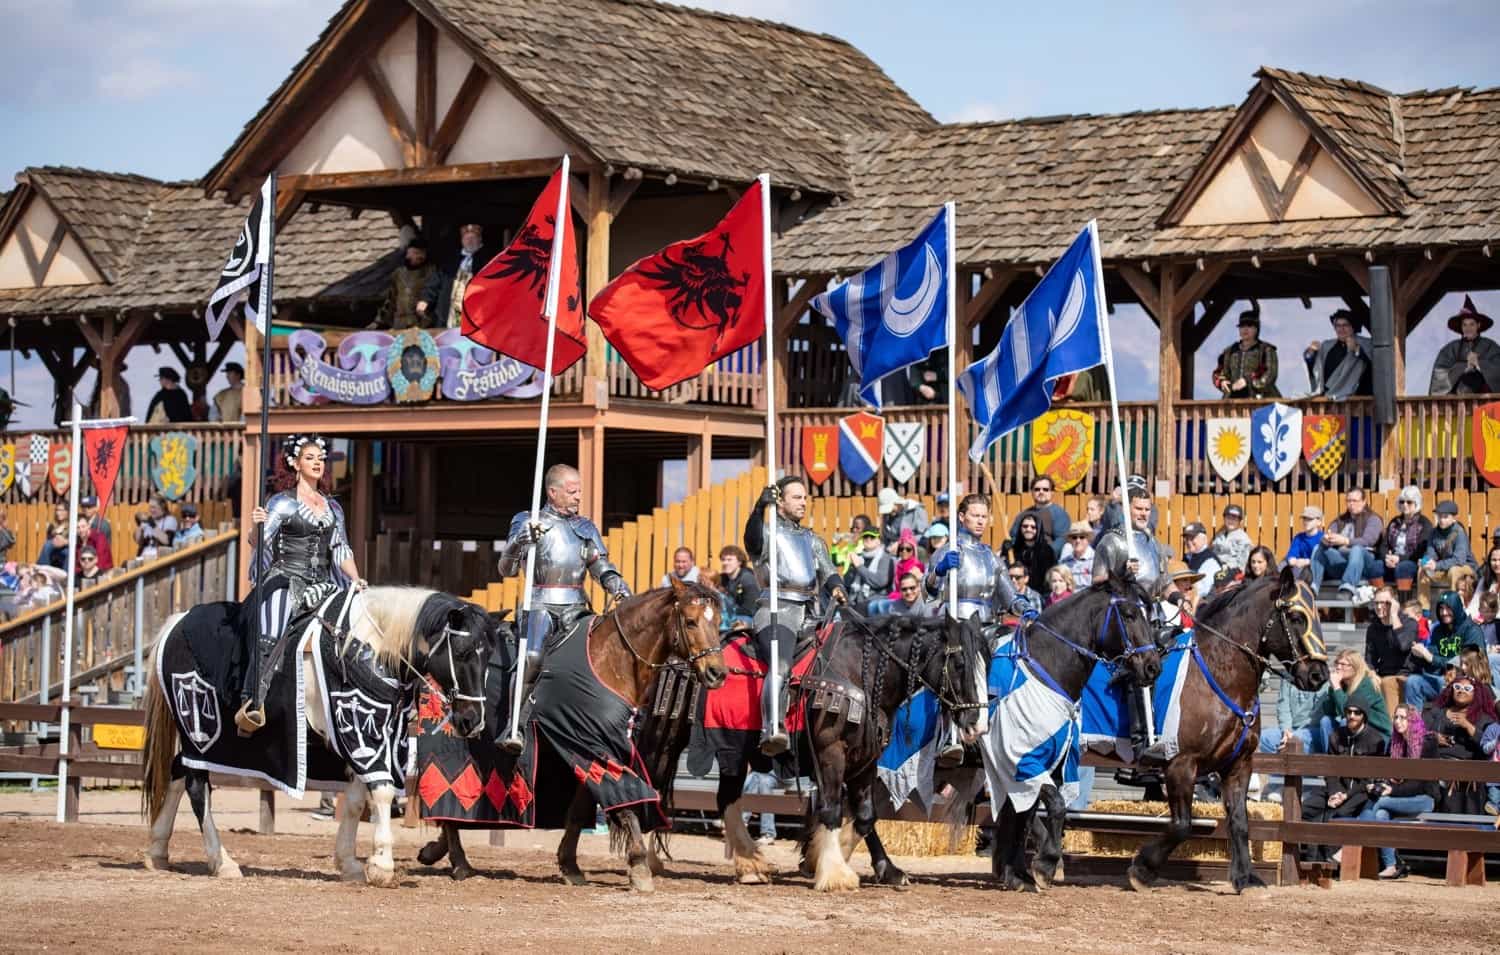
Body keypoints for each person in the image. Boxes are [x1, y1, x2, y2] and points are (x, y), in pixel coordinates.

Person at [238, 434, 366, 735]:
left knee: (351, 625)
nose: (318, 462)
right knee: (273, 627)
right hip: (286, 578)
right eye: (310, 458)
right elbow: (257, 542)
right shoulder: (282, 503)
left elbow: (341, 549)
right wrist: (256, 524)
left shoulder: (333, 508)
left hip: (323, 582)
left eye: (320, 458)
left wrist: (356, 578)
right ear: (296, 465)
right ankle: (253, 701)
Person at [744, 476, 845, 755]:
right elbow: (751, 543)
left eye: (804, 497)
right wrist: (758, 510)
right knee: (781, 665)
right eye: (797, 497)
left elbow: (828, 571)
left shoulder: (812, 539)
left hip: (811, 612)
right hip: (777, 611)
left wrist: (837, 587)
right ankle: (772, 728)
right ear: (780, 501)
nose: (803, 502)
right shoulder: (767, 531)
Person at [499, 464, 630, 663]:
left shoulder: (585, 527)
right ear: (553, 492)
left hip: (577, 607)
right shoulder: (527, 520)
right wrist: (519, 542)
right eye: (572, 492)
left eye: (579, 491)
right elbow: (506, 570)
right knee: (532, 658)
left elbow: (599, 564)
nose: (578, 496)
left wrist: (616, 584)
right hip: (539, 605)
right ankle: (523, 695)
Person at [1355, 703, 1440, 879]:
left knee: (1380, 802)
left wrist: (1392, 790)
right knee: (1380, 815)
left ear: (1413, 720)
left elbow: (1421, 784)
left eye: (1403, 717)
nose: (1398, 721)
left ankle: (1351, 844)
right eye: (1396, 717)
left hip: (1424, 798)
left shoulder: (1427, 743)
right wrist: (1379, 784)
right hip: (1399, 797)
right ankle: (1392, 865)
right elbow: (1387, 774)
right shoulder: (1394, 743)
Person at [1298, 701, 1384, 862]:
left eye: (1357, 712)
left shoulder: (1375, 740)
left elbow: (1368, 780)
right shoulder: (1336, 736)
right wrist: (1334, 793)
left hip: (1360, 791)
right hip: (1336, 789)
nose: (1352, 716)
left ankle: (1324, 859)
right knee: (1304, 808)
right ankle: (1308, 857)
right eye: (1349, 712)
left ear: (1364, 715)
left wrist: (1345, 795)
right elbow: (1330, 772)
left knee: (1336, 814)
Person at [925, 493, 1024, 623]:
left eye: (984, 516)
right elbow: (927, 594)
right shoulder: (947, 552)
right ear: (962, 516)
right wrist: (939, 571)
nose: (980, 521)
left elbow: (1010, 597)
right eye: (975, 516)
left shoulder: (992, 558)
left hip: (989, 625)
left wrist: (1026, 608)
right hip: (955, 625)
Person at [1254, 672, 1331, 801]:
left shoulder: (1323, 678)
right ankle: (1280, 782)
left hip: (1313, 729)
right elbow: (1283, 705)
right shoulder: (1289, 676)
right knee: (1264, 737)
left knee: (1298, 740)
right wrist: (1286, 730)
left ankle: (1306, 786)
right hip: (1290, 729)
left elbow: (1319, 712)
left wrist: (1292, 736)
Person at [1407, 591, 1484, 711]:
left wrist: (1431, 657)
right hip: (1441, 679)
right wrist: (1420, 655)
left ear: (1457, 607)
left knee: (1447, 682)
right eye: (1441, 609)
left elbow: (1470, 664)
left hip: (1465, 682)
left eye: (1448, 608)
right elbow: (1432, 659)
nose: (1444, 613)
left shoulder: (1472, 630)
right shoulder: (1438, 630)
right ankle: (1414, 726)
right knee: (1413, 682)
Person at [1312, 488, 1384, 599]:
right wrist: (1327, 539)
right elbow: (1330, 533)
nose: (1351, 504)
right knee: (1319, 548)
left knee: (1357, 549)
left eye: (1355, 501)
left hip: (1365, 562)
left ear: (1364, 501)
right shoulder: (1340, 520)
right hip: (1342, 561)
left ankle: (1347, 587)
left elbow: (1368, 541)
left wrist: (1346, 541)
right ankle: (1313, 588)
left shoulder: (1373, 519)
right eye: (1348, 501)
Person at [419, 223, 493, 329]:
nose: (469, 241)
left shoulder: (488, 261)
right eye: (466, 238)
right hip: (451, 312)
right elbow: (435, 281)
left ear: (480, 239)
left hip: (477, 312)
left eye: (473, 238)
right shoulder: (451, 261)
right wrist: (425, 299)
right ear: (462, 240)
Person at [1428, 295, 1500, 395]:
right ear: (1461, 327)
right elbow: (1440, 373)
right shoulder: (1450, 348)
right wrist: (1464, 366)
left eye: (1471, 324)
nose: (1468, 328)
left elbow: (1498, 367)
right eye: (1464, 324)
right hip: (1455, 402)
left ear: (1478, 325)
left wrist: (1479, 364)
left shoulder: (1490, 346)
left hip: (1484, 402)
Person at [1365, 587, 1418, 716]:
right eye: (1376, 603)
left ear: (1394, 604)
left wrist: (1394, 615)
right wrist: (1372, 674)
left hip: (1406, 674)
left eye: (1384, 603)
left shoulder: (1409, 623)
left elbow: (1403, 646)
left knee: (1388, 683)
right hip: (1384, 675)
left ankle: (1393, 730)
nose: (1378, 607)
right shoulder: (1373, 628)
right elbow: (1369, 659)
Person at [1322, 648, 1391, 743]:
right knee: (1326, 721)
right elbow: (1329, 711)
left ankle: (1345, 756)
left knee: (1346, 721)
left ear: (1355, 667)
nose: (1338, 667)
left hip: (1377, 734)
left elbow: (1348, 713)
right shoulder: (1341, 684)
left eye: (1343, 664)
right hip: (1355, 729)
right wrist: (1333, 688)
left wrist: (1337, 687)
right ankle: (1330, 756)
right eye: (1337, 663)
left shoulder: (1366, 684)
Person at [1418, 501, 1477, 609]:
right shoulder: (1433, 532)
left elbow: (1459, 560)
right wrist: (1426, 561)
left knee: (1454, 570)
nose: (1441, 520)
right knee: (1422, 571)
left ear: (1454, 518)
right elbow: (1431, 552)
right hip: (1445, 568)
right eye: (1439, 516)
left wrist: (1436, 565)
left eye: (1445, 517)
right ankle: (1424, 611)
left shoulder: (1459, 533)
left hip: (1465, 568)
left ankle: (1454, 607)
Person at [1305, 308, 1374, 399]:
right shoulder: (1327, 346)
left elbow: (1375, 365)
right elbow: (1312, 363)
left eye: (1345, 325)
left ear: (1353, 326)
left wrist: (1357, 350)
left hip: (1356, 400)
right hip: (1328, 398)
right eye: (1337, 325)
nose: (1341, 329)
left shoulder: (1366, 343)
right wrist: (1311, 352)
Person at [1211, 307, 1279, 398]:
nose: (1245, 329)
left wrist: (1248, 381)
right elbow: (1219, 373)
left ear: (1256, 328)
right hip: (1232, 403)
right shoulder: (1229, 351)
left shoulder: (1266, 350)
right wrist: (1221, 382)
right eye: (1242, 326)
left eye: (1249, 325)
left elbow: (1270, 374)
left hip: (1261, 402)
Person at [1377, 486, 1431, 596]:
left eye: (1409, 502)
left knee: (1403, 567)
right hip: (1392, 561)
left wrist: (1399, 559)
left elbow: (1421, 551)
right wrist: (1386, 557)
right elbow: (1384, 545)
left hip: (1412, 562)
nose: (1404, 505)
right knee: (1375, 566)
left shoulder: (1424, 524)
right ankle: (1378, 604)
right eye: (1402, 502)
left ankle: (1404, 605)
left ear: (1417, 504)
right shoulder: (1394, 522)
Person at [372, 237, 436, 330]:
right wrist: (378, 322)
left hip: (422, 324)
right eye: (415, 253)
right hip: (400, 324)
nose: (419, 257)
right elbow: (391, 301)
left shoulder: (431, 272)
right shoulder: (398, 274)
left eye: (421, 254)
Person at [1010, 475, 1070, 557]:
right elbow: (1014, 537)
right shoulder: (1024, 515)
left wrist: (1044, 555)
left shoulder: (1059, 514)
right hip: (1023, 559)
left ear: (1052, 492)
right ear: (1032, 492)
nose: (1041, 492)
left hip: (1047, 561)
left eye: (1045, 489)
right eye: (1037, 489)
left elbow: (1061, 540)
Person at [843, 528, 894, 612]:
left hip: (876, 603)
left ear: (879, 541)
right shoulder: (859, 557)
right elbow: (847, 581)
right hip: (856, 601)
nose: (868, 539)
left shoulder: (885, 558)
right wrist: (852, 567)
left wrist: (859, 567)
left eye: (872, 537)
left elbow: (880, 581)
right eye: (865, 537)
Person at [1008, 513, 1056, 592]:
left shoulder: (1047, 551)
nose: (1028, 529)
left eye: (1033, 527)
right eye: (1025, 526)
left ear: (1038, 529)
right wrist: (1005, 552)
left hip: (1040, 595)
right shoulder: (1014, 549)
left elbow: (1050, 577)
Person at [716, 545, 759, 629]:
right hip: (728, 615)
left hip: (747, 618)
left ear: (739, 562)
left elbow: (750, 609)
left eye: (729, 560)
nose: (725, 563)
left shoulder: (748, 579)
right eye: (723, 560)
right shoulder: (721, 579)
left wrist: (728, 611)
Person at [1180, 522, 1220, 599]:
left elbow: (1202, 590)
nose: (1188, 542)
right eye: (1186, 538)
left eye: (1192, 538)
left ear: (1204, 539)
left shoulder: (1210, 561)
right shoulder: (1189, 557)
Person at [1284, 506, 1324, 582]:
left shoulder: (1322, 538)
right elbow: (1291, 556)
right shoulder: (1299, 538)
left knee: (1305, 571)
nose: (1306, 522)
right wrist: (1295, 561)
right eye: (1304, 519)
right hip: (1299, 567)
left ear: (1319, 522)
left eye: (1310, 519)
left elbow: (1323, 559)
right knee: (1285, 566)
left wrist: (1307, 562)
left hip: (1316, 570)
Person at [133, 494, 178, 559]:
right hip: (143, 556)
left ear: (162, 507)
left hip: (160, 558)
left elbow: (167, 541)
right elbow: (138, 541)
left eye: (154, 507)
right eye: (150, 507)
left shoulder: (170, 520)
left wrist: (153, 525)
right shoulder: (149, 520)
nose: (151, 510)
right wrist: (140, 526)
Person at [1211, 504, 1252, 571]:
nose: (1231, 521)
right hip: (1217, 567)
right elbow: (1214, 553)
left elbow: (1243, 561)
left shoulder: (1242, 538)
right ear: (1224, 519)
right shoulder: (1219, 536)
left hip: (1233, 570)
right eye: (1228, 518)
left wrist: (1228, 566)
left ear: (1240, 521)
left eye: (1234, 519)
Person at [889, 530, 925, 598]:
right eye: (901, 549)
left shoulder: (917, 566)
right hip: (898, 595)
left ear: (913, 550)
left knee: (879, 605)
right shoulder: (898, 564)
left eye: (908, 549)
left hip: (909, 597)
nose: (904, 551)